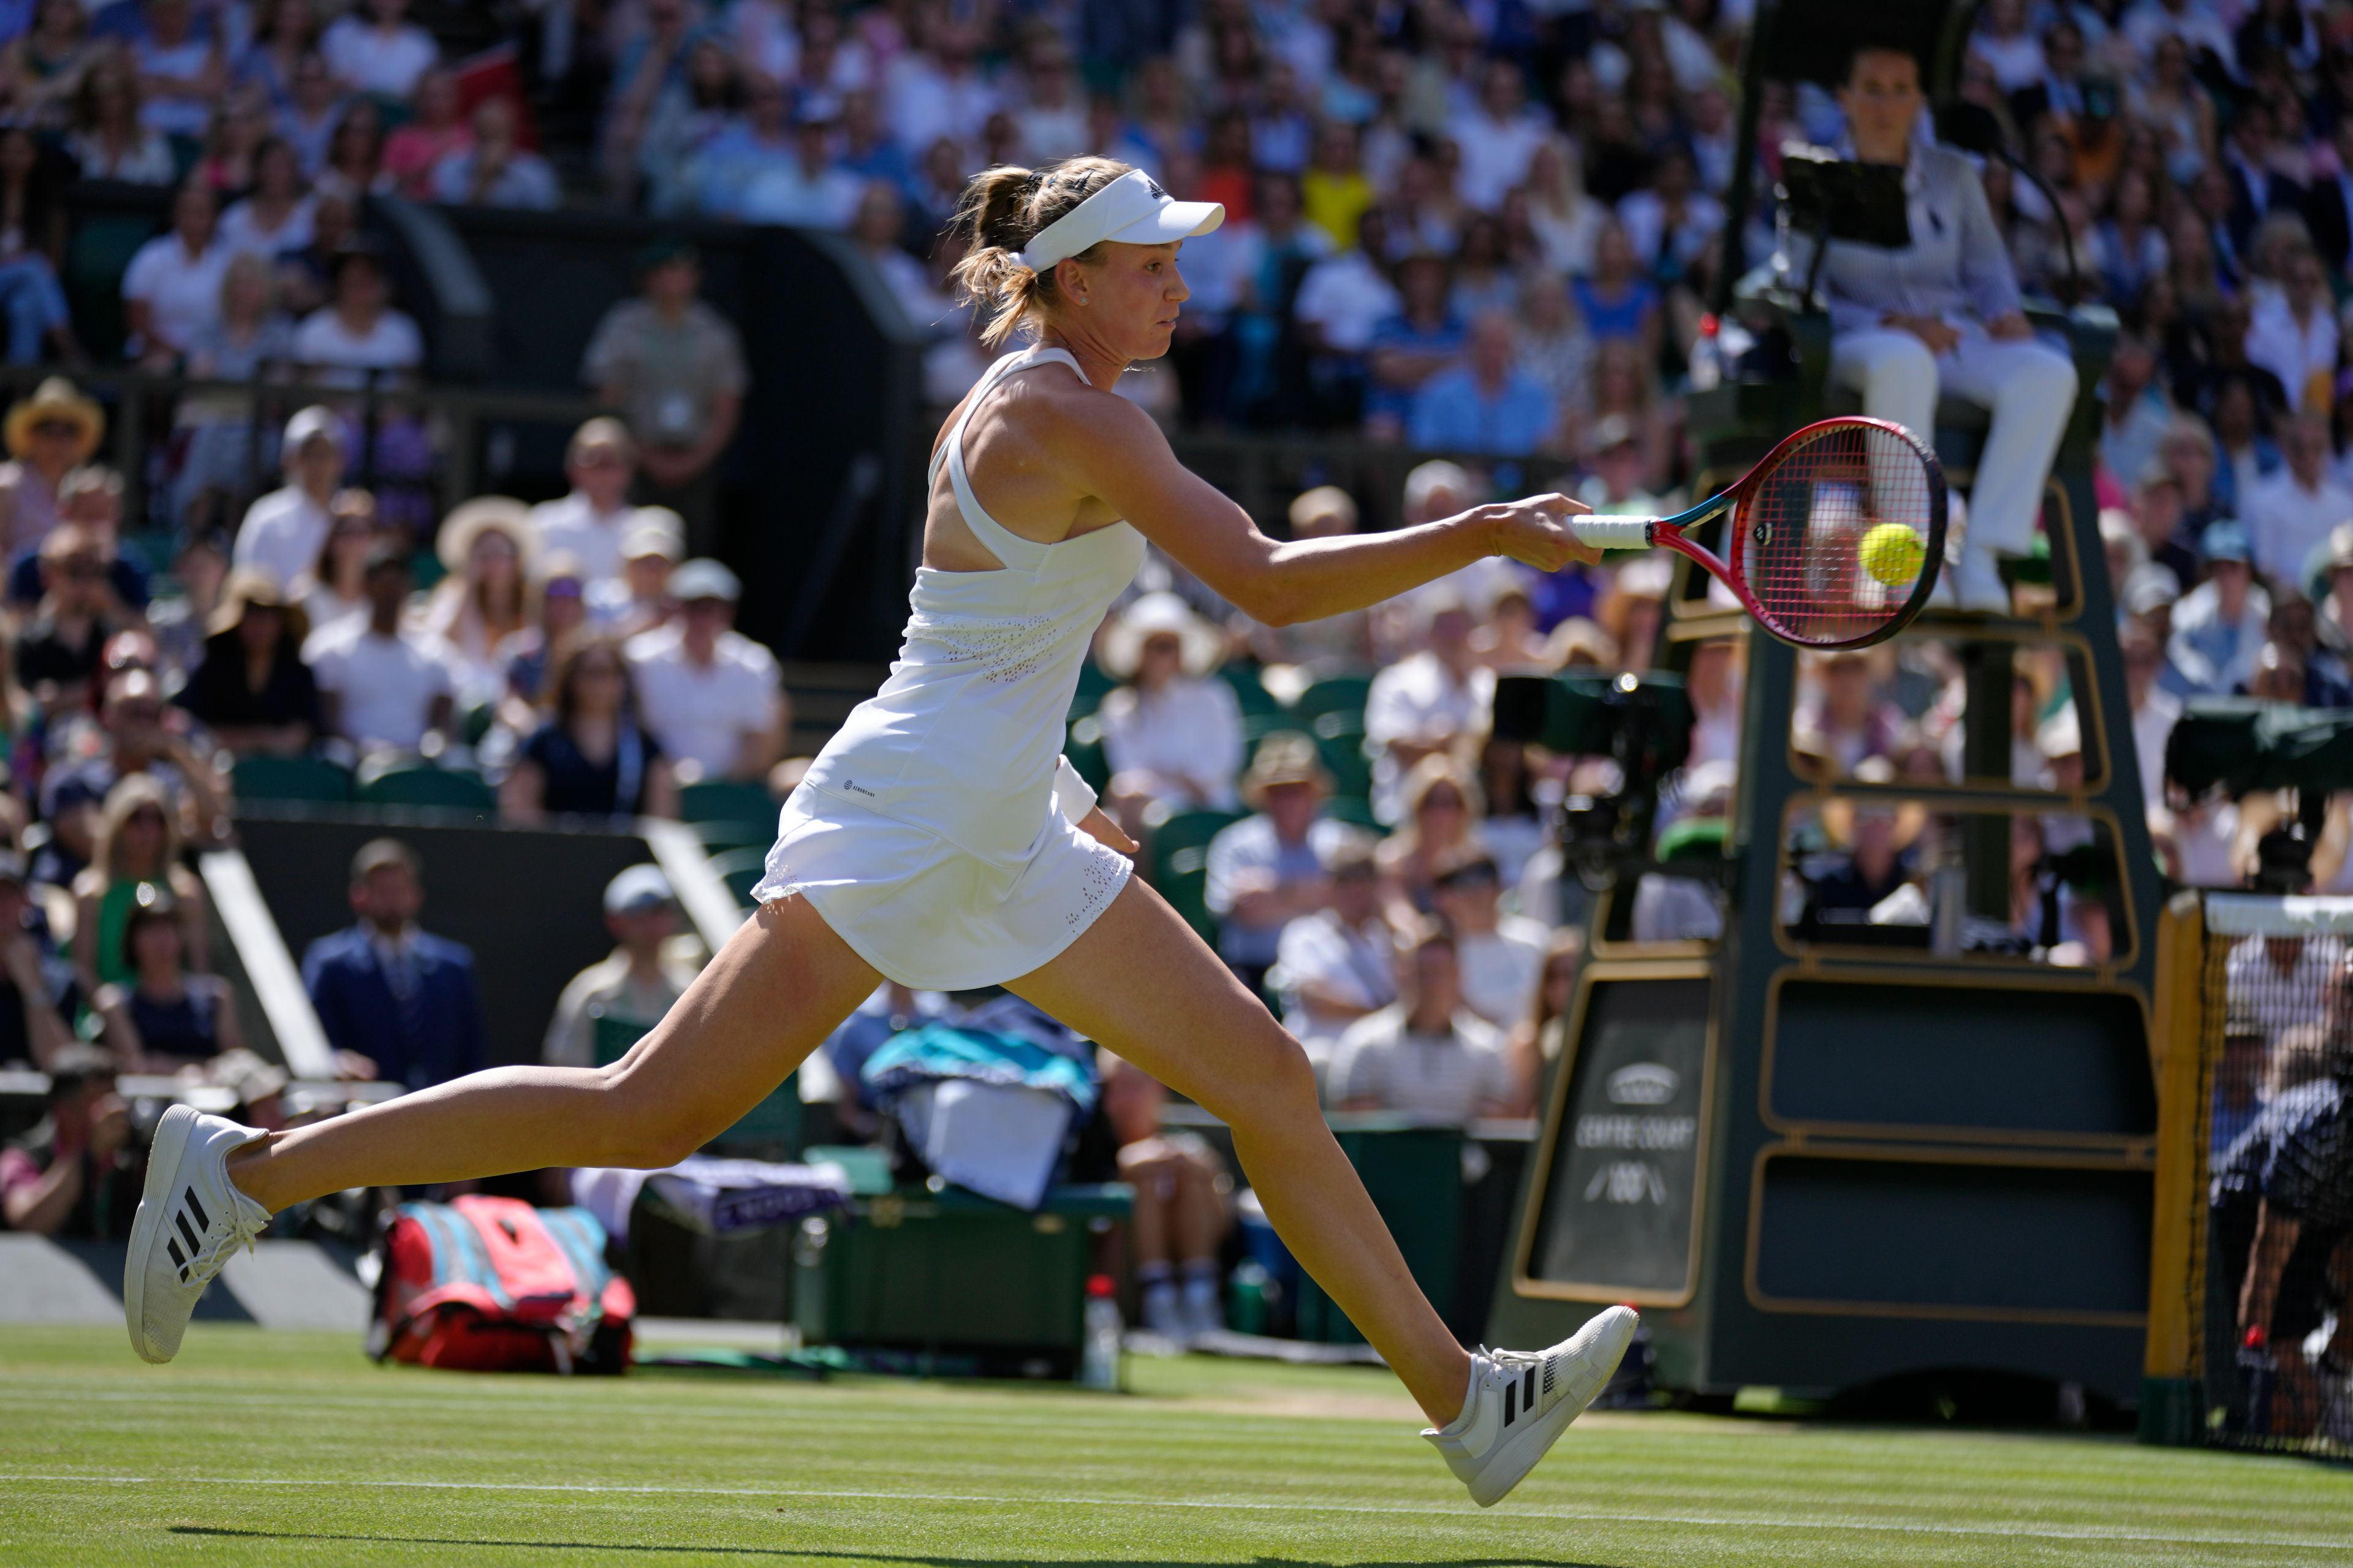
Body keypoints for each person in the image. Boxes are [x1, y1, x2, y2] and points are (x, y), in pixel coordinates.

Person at [126, 157, 1633, 1507]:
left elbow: (999, 640)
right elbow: (1270, 583)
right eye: (1154, 262)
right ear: (1074, 281)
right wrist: (1484, 532)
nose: (1179, 284)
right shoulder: (1055, 404)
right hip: (912, 805)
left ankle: (1465, 1399)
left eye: (1177, 261)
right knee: (645, 1107)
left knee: (1265, 1073)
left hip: (1004, 808)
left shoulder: (1065, 402)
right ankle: (246, 1169)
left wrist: (1064, 794)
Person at [1817, 44, 2079, 612]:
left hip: (1951, 338)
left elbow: (1987, 268)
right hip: (1859, 342)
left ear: (1919, 100)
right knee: (1902, 357)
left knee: (2048, 372)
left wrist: (2003, 311)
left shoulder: (1954, 175)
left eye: (1900, 89)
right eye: (1872, 88)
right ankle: (1911, 564)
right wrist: (1892, 320)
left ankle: (1982, 555)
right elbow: (1800, 290)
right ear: (1845, 98)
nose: (1886, 103)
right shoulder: (1814, 176)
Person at [582, 241, 748, 550]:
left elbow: (727, 405)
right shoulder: (623, 324)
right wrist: (641, 454)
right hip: (634, 460)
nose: (676, 281)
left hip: (696, 461)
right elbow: (608, 396)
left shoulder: (714, 330)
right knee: (629, 546)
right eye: (667, 272)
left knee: (695, 548)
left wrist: (695, 461)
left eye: (684, 273)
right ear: (649, 278)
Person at [300, 838, 485, 1089]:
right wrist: (336, 1062)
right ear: (359, 896)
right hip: (365, 1114)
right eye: (382, 891)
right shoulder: (329, 963)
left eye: (399, 889)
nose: (392, 900)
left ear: (417, 894)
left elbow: (471, 1053)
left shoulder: (454, 965)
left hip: (439, 1114)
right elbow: (315, 1043)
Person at [1203, 733, 1362, 991]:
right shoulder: (1234, 844)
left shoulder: (1339, 840)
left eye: (1296, 790)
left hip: (1329, 974)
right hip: (1253, 973)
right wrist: (1318, 895)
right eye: (1277, 791)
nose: (1287, 800)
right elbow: (1247, 912)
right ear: (1264, 796)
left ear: (1312, 793)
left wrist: (1276, 893)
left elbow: (1356, 902)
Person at [1101, 1048, 1232, 1341]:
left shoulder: (1186, 1145)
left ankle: (1199, 1295)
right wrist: (1129, 1169)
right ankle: (1158, 1297)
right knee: (1144, 1183)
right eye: (1114, 1088)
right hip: (1124, 1284)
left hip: (1188, 1279)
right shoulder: (1095, 1148)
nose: (1126, 1099)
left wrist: (1203, 1171)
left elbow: (1225, 1223)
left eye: (1136, 1086)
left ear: (1158, 1090)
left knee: (1193, 1180)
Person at [1329, 924, 1520, 1124]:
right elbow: (1357, 1128)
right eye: (1422, 972)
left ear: (1458, 976)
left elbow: (1494, 1127)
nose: (1432, 984)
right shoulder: (1364, 1043)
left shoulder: (1488, 1049)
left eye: (1440, 972)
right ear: (1402, 975)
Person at [1095, 590, 1245, 833]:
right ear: (1140, 653)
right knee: (1124, 803)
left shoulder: (1214, 696)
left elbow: (1222, 763)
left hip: (1209, 801)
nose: (1162, 656)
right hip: (1147, 802)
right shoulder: (1119, 706)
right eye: (1155, 647)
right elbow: (1127, 770)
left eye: (1169, 647)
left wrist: (1173, 779)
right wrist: (1174, 778)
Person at [624, 558, 785, 782]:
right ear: (675, 607)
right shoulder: (640, 659)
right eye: (695, 607)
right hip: (654, 785)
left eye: (715, 608)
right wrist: (664, 776)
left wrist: (721, 783)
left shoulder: (753, 664)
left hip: (733, 788)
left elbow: (761, 740)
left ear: (729, 612)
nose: (704, 618)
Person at [503, 635, 680, 824]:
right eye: (590, 673)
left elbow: (662, 821)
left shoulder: (646, 747)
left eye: (608, 673)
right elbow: (523, 815)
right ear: (571, 679)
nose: (598, 683)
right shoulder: (543, 744)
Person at [542, 865, 700, 1070]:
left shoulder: (693, 990)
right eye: (639, 913)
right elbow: (564, 1068)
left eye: (661, 911)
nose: (652, 923)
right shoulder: (590, 992)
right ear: (616, 922)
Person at [303, 543, 455, 754]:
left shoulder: (434, 652)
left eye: (396, 582)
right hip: (353, 765)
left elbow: (442, 722)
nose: (389, 591)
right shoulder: (331, 648)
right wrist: (365, 750)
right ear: (366, 586)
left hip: (417, 765)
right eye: (381, 582)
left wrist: (430, 748)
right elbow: (327, 721)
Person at [72, 774, 209, 995]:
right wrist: (114, 1015)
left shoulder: (185, 893)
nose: (147, 828)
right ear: (117, 825)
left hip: (168, 1015)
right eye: (136, 818)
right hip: (108, 1015)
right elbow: (83, 973)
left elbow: (199, 970)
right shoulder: (91, 893)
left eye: (158, 819)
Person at [1270, 843, 1396, 1080]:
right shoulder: (1305, 933)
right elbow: (1315, 998)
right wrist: (1380, 1016)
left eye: (1365, 880)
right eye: (1346, 880)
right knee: (1323, 1063)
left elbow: (1410, 991)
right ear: (1330, 886)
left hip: (1378, 1056)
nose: (1356, 890)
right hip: (1323, 1053)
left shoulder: (1387, 939)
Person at [172, 568, 319, 757]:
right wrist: (263, 739)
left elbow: (304, 731)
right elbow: (190, 723)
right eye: (251, 612)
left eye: (270, 613)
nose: (260, 623)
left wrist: (260, 741)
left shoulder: (298, 673)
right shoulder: (211, 667)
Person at [97, 886, 243, 1074]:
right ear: (131, 942)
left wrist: (182, 1069)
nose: (162, 940)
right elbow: (136, 1067)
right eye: (151, 930)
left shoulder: (217, 996)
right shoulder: (116, 1003)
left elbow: (237, 1064)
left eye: (169, 928)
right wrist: (202, 1069)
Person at [1, 1043, 140, 1237]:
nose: (113, 1114)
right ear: (64, 1110)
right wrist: (86, 1155)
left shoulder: (127, 1156)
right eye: (100, 1105)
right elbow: (27, 1222)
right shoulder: (20, 1158)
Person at [1431, 854, 1548, 1029]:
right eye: (1460, 883)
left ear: (1500, 887)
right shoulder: (1439, 955)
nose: (1475, 892)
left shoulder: (1537, 939)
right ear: (1442, 898)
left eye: (1483, 879)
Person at [232, 406, 344, 589]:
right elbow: (250, 588)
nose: (318, 464)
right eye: (309, 455)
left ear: (341, 460)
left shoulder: (354, 518)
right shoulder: (265, 518)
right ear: (289, 460)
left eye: (325, 454)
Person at [122, 181, 230, 369]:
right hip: (155, 353)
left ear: (214, 218)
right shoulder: (151, 257)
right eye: (188, 212)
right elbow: (137, 320)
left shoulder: (227, 261)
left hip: (211, 356)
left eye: (202, 213)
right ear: (176, 215)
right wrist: (178, 355)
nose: (195, 221)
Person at [530, 419, 640, 591]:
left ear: (628, 470)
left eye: (610, 463)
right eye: (591, 462)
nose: (601, 472)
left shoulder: (644, 527)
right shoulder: (544, 524)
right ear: (572, 469)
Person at [0, 375, 102, 559]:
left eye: (69, 430)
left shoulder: (88, 489)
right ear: (31, 436)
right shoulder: (7, 486)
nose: (58, 440)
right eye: (47, 429)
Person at [0, 849, 75, 1070]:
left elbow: (58, 1064)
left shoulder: (59, 980)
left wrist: (32, 989)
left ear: (26, 902)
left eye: (8, 896)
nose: (1, 905)